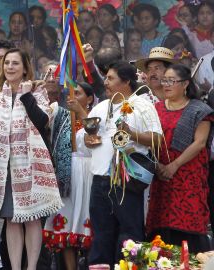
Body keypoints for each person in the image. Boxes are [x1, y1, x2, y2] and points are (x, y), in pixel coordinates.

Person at [0, 48, 63, 270]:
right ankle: (15, 267)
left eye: (15, 63)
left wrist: (26, 95)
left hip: (29, 166)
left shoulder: (37, 94)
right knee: (11, 219)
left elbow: (42, 122)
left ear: (24, 69)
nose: (10, 67)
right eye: (7, 63)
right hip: (3, 166)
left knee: (31, 218)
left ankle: (31, 267)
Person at [85, 61, 162, 267]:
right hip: (100, 179)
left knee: (130, 234)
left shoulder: (142, 105)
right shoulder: (101, 106)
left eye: (111, 78)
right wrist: (88, 140)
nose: (106, 83)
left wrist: (131, 133)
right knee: (101, 234)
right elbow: (87, 142)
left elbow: (157, 140)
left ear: (126, 81)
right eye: (106, 78)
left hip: (126, 180)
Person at [147, 64, 213, 253]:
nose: (165, 84)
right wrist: (158, 165)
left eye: (171, 81)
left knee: (188, 225)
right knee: (161, 227)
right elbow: (149, 139)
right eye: (164, 80)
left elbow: (199, 143)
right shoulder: (155, 109)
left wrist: (173, 165)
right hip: (161, 176)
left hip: (187, 176)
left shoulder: (200, 110)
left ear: (185, 84)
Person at [44, 82, 95, 270]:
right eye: (69, 94)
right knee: (64, 225)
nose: (71, 98)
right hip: (66, 176)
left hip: (87, 175)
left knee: (88, 224)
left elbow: (95, 140)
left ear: (89, 99)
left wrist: (81, 112)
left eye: (78, 94)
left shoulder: (95, 115)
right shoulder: (61, 116)